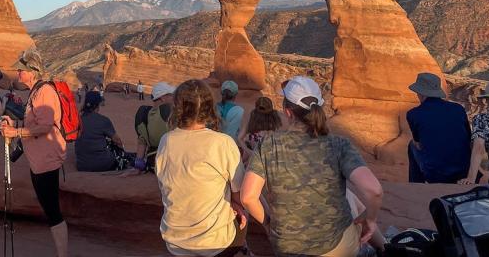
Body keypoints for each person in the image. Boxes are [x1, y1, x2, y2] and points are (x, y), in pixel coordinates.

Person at [240, 76, 384, 257]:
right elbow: (374, 190)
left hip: (287, 247)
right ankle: (383, 249)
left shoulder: (268, 145)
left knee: (349, 197)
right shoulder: (338, 144)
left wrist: (269, 225)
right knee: (351, 198)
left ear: (287, 112)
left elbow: (248, 197)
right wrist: (369, 220)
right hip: (336, 246)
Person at [156, 79, 247, 257]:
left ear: (177, 107)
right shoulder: (223, 143)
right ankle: (243, 249)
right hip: (216, 243)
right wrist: (236, 204)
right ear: (209, 108)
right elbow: (239, 193)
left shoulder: (166, 141)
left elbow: (163, 184)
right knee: (242, 215)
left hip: (175, 242)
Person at [0, 47, 68, 257]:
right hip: (38, 160)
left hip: (47, 159)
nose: (18, 73)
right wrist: (15, 122)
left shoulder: (44, 91)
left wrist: (16, 131)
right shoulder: (35, 91)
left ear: (33, 71)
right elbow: (36, 122)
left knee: (53, 212)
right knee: (50, 209)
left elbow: (46, 126)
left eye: (21, 70)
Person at [404, 72, 471, 184]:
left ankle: (416, 186)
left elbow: (418, 143)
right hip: (463, 172)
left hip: (436, 175)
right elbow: (468, 138)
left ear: (420, 93)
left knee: (412, 145)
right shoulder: (458, 109)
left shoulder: (413, 114)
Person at [75, 90, 129, 171]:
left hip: (82, 165)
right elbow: (117, 140)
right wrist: (122, 150)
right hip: (102, 164)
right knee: (113, 146)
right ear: (97, 105)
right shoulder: (103, 120)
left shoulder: (78, 120)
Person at [135, 81, 175, 171]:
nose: (174, 97)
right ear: (163, 98)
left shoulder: (144, 114)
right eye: (171, 95)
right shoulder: (168, 111)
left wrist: (138, 164)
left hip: (153, 163)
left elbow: (142, 141)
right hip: (170, 164)